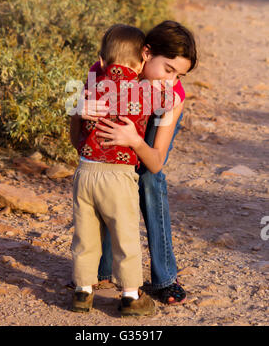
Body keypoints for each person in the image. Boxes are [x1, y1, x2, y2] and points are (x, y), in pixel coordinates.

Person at [75, 20, 198, 305]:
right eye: (168, 69)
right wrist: (79, 110)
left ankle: (165, 277)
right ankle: (100, 270)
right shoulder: (105, 71)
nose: (171, 80)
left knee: (148, 180)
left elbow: (155, 162)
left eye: (179, 75)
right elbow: (83, 144)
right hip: (111, 150)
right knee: (108, 172)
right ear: (146, 53)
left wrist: (134, 140)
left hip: (152, 124)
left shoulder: (171, 95)